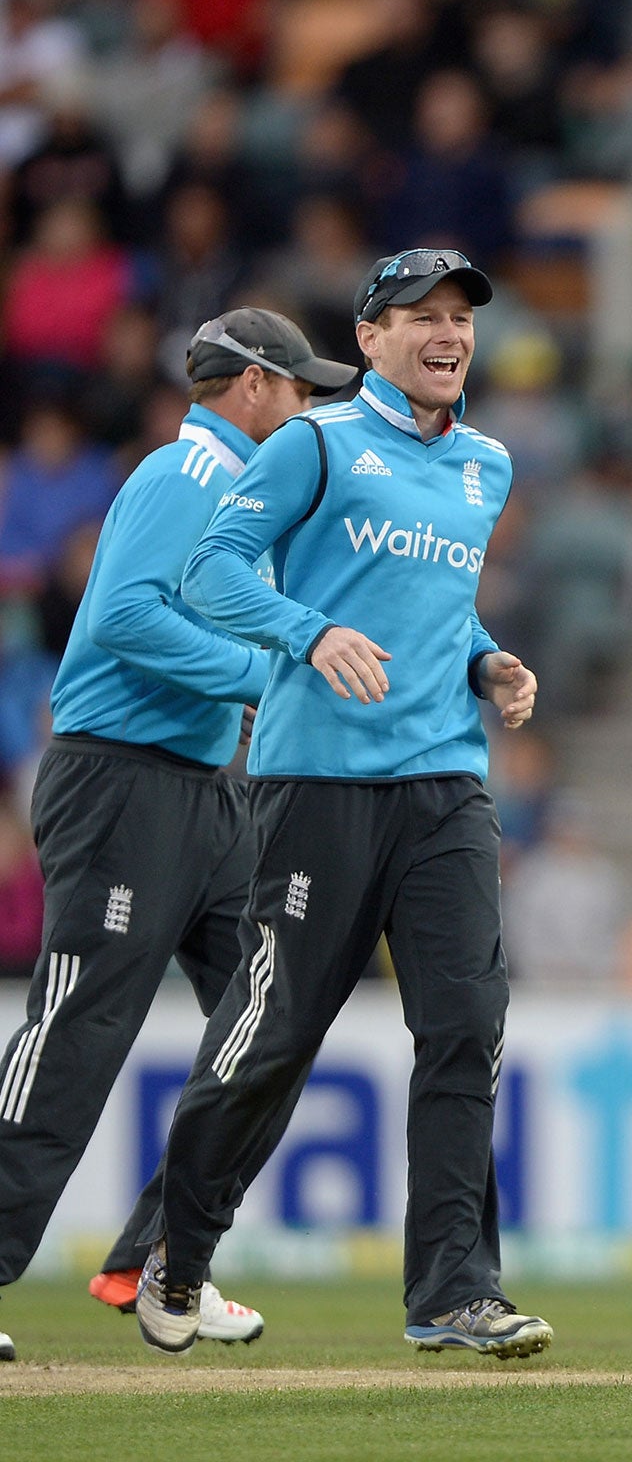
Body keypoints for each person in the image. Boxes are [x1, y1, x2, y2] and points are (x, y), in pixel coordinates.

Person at [135, 249, 549, 1361]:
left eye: (459, 317)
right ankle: (176, 1252)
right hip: (318, 787)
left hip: (446, 785)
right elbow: (212, 571)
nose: (447, 333)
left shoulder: (486, 464)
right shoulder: (315, 444)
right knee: (273, 1036)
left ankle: (452, 1293)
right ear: (367, 338)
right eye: (420, 315)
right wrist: (306, 633)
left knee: (465, 1026)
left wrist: (484, 662)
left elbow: (432, 604)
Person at [0, 309, 352, 1363]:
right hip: (120, 784)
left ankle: (163, 1262)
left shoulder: (239, 498)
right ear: (249, 385)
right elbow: (125, 620)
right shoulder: (180, 476)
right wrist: (267, 678)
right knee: (79, 1030)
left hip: (201, 793)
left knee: (276, 1017)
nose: (304, 411)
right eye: (295, 391)